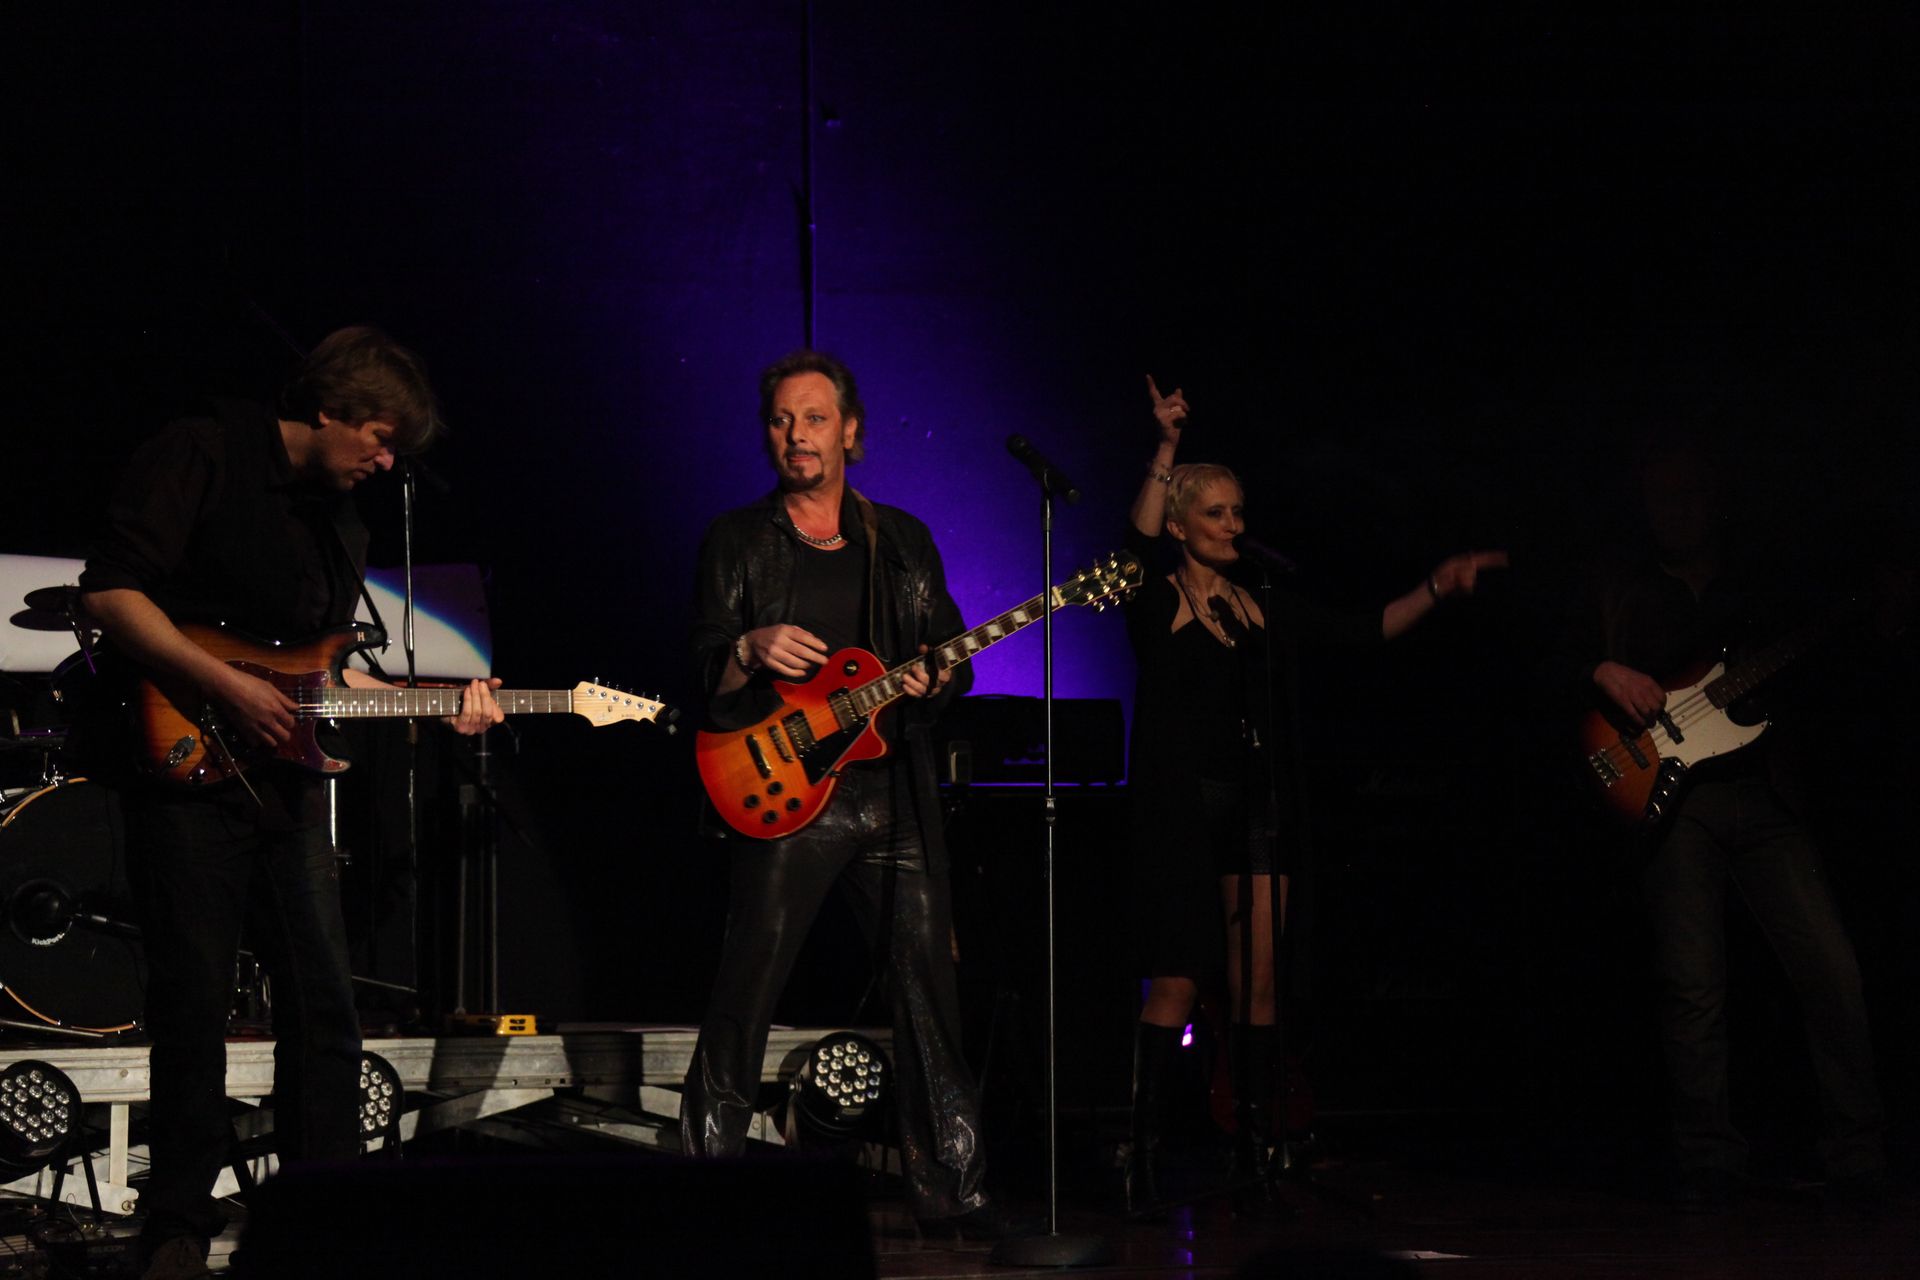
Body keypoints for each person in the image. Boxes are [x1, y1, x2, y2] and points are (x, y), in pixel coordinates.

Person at [79, 327, 504, 1279]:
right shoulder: (202, 452)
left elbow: (322, 678)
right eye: (381, 439)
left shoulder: (336, 522)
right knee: (190, 1003)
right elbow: (109, 592)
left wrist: (439, 711)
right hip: (182, 771)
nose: (387, 462)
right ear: (329, 412)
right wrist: (225, 687)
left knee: (327, 1008)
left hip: (284, 788)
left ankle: (329, 1218)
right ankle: (177, 1224)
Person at [1120, 376, 1504, 1218]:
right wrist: (1168, 449)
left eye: (1238, 512)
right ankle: (1139, 1153)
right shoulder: (1159, 597)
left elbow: (1365, 629)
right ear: (1184, 523)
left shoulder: (1262, 606)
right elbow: (1137, 543)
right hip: (1182, 814)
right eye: (1217, 513)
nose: (1235, 526)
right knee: (1180, 983)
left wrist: (1437, 588)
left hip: (1257, 810)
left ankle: (1258, 1145)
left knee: (1258, 984)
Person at [679, 350, 1025, 1239]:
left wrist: (934, 684)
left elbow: (952, 659)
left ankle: (959, 1191)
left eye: (816, 418)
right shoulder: (739, 539)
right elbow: (695, 669)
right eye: (783, 419)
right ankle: (705, 1187)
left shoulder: (899, 539)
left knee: (927, 993)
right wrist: (749, 648)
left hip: (894, 796)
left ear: (852, 432)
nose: (798, 434)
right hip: (788, 794)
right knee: (747, 985)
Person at [1563, 436, 1889, 1211]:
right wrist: (1599, 666)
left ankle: (1860, 1152)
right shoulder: (1620, 584)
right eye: (1661, 496)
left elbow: (1829, 676)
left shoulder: (1763, 583)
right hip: (1679, 802)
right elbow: (1543, 654)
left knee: (1832, 972)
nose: (1676, 511)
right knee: (1692, 985)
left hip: (1768, 795)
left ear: (1718, 501)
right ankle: (1707, 1159)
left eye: (1690, 495)